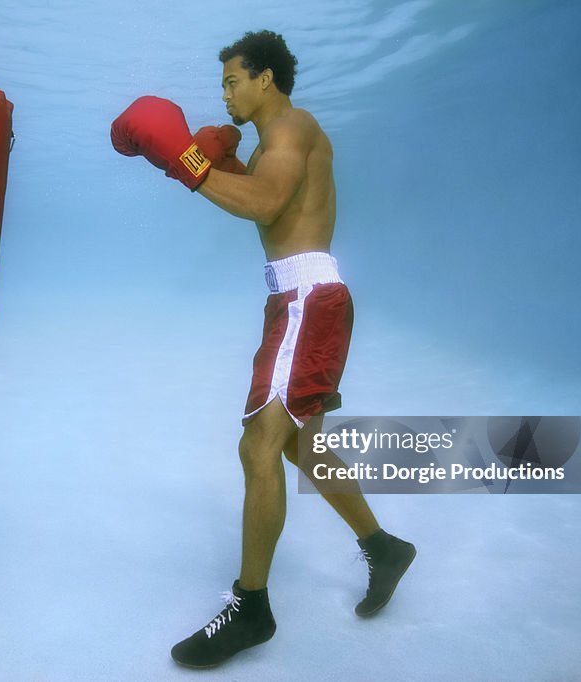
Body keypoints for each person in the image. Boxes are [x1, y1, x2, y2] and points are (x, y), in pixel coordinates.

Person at [111, 30, 416, 669]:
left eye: (232, 82)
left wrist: (186, 163)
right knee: (300, 444)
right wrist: (216, 161)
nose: (225, 94)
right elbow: (268, 213)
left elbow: (266, 201)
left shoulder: (290, 131)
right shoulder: (276, 141)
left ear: (265, 80)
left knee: (258, 446)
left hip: (307, 303)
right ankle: (384, 547)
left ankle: (251, 607)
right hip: (302, 301)